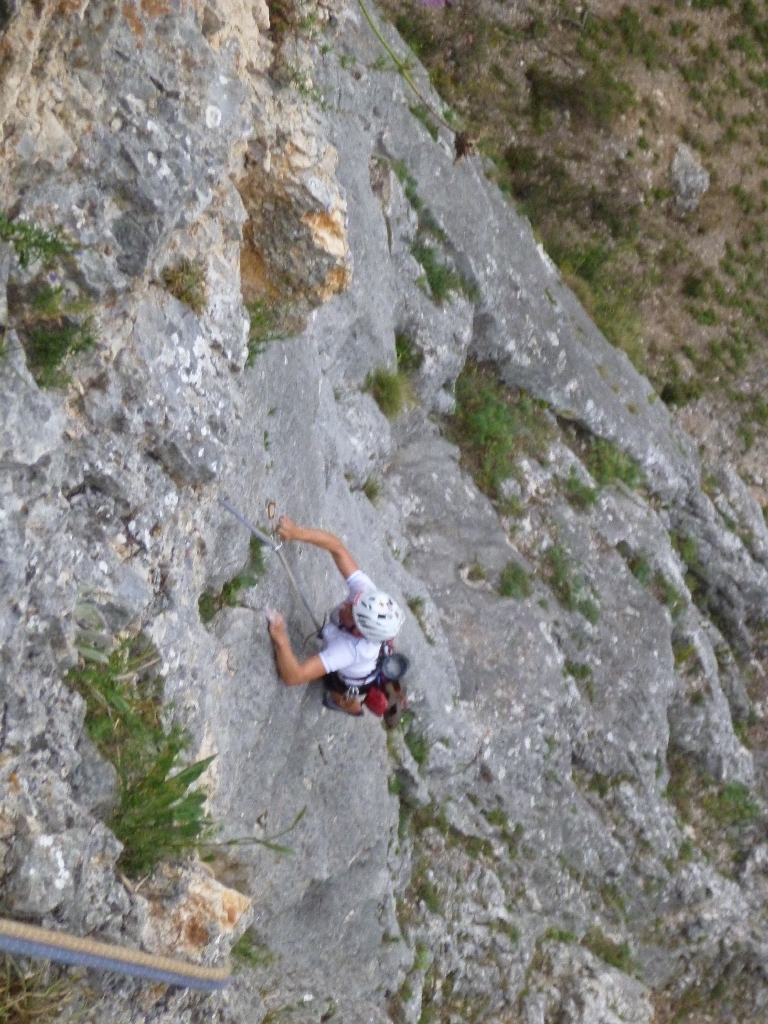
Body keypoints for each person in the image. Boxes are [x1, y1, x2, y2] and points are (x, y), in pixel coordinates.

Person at [266, 515, 405, 717]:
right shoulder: (366, 594)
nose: (347, 605)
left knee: (337, 689)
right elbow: (337, 547)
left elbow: (293, 677)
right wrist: (296, 532)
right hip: (368, 663)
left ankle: (353, 708)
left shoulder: (348, 650)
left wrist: (280, 639)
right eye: (353, 604)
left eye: (352, 613)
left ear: (358, 633)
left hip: (354, 680)